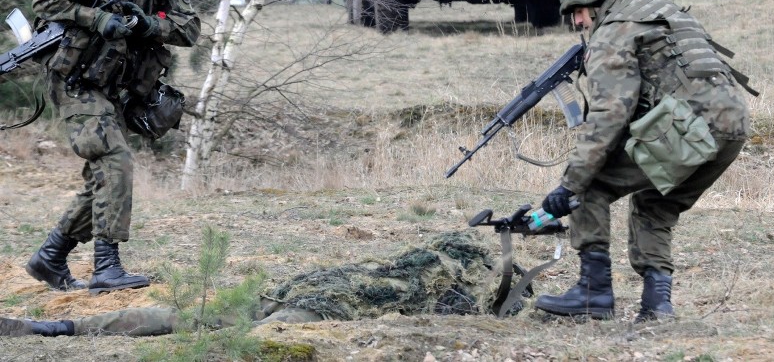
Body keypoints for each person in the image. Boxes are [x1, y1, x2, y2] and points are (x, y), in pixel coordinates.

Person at [534, 0, 753, 322]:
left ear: (594, 0)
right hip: (732, 128)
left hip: (689, 129)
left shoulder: (612, 33)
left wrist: (569, 184)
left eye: (576, 12)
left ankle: (594, 292)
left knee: (591, 186)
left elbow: (608, 116)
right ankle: (657, 305)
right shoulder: (658, 9)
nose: (576, 22)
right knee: (656, 203)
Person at [26, 0, 201, 294]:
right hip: (76, 83)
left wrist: (148, 25)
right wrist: (97, 18)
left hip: (113, 89)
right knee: (115, 160)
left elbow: (190, 29)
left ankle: (50, 257)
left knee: (103, 178)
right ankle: (106, 267)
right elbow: (46, 0)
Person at [3, 231, 502, 337]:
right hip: (318, 303)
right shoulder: (455, 286)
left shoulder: (431, 271)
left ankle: (61, 328)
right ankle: (59, 328)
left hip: (310, 298)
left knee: (213, 324)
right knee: (225, 328)